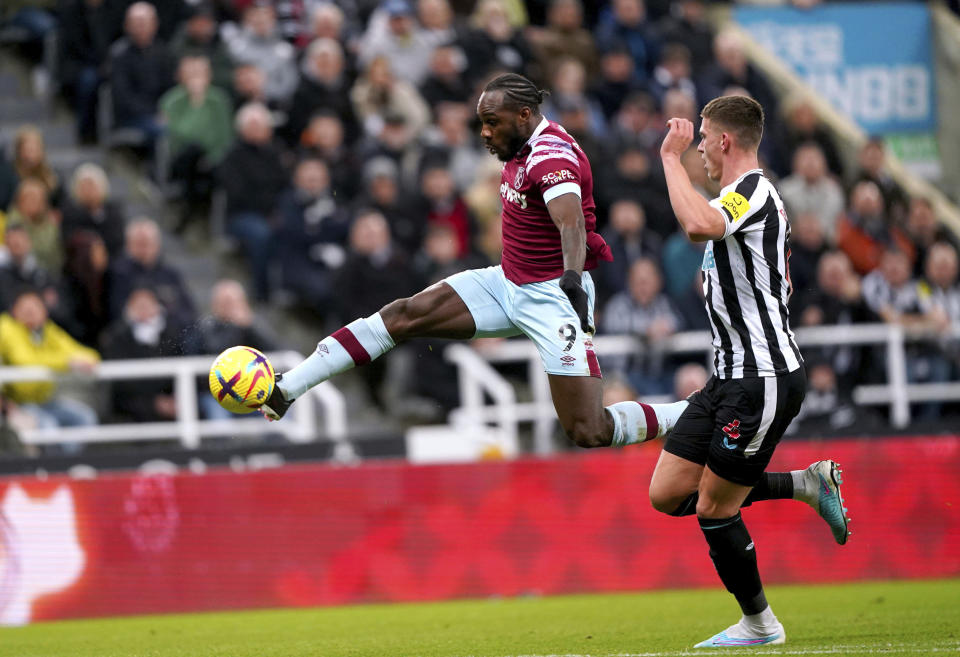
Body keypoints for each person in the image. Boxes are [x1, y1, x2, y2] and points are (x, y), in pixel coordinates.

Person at [259, 73, 689, 452]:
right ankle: (288, 388)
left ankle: (688, 412)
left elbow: (571, 224)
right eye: (481, 122)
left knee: (588, 429)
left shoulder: (550, 157)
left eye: (492, 123)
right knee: (404, 314)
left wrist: (573, 278)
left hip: (555, 296)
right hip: (507, 282)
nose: (484, 133)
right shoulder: (519, 144)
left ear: (524, 115)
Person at [652, 95, 849, 648]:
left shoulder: (752, 192)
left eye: (701, 141)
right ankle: (805, 484)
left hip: (762, 376)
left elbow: (696, 225)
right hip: (729, 377)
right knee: (668, 493)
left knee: (714, 507)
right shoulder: (738, 198)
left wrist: (669, 160)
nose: (697, 152)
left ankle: (761, 625)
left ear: (723, 141)